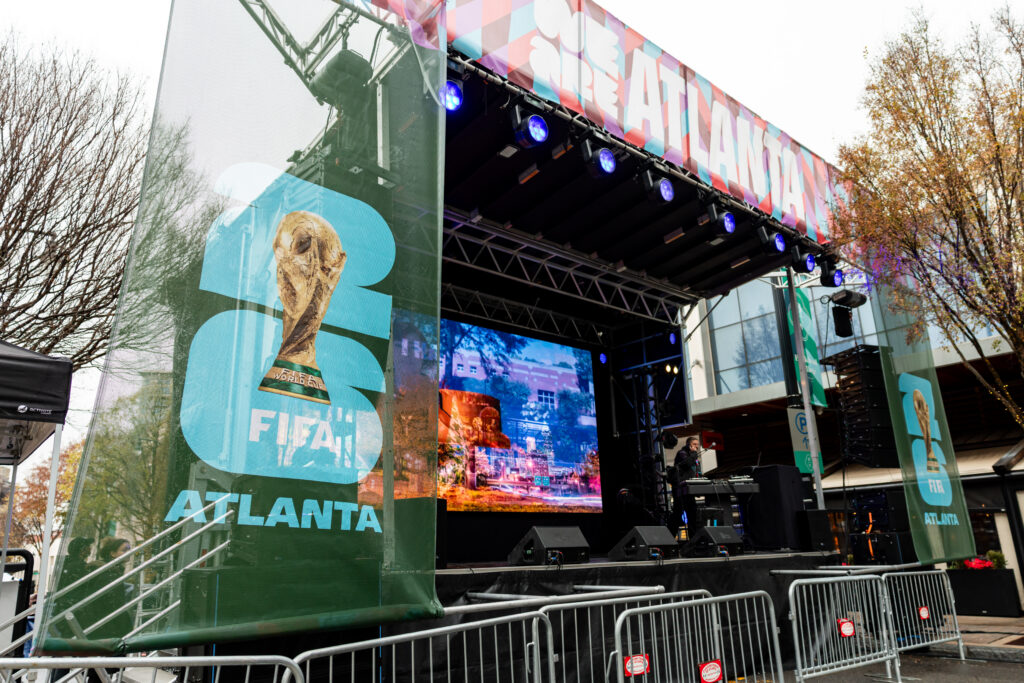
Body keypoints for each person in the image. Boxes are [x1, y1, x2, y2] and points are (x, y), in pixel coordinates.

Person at [669, 437, 702, 537]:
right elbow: (687, 463)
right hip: (680, 489)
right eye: (695, 444)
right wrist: (694, 454)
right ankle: (669, 539)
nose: (697, 446)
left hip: (688, 490)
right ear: (689, 445)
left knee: (692, 514)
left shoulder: (693, 457)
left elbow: (695, 471)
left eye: (697, 444)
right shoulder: (682, 453)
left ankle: (693, 539)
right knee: (678, 514)